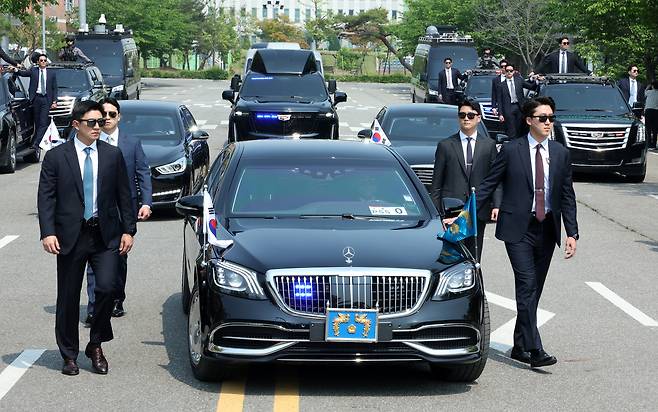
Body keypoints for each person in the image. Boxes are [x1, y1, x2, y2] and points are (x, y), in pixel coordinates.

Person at [477, 96, 579, 368]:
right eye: (543, 118)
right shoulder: (511, 150)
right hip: (517, 229)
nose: (548, 123)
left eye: (551, 118)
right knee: (526, 285)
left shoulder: (560, 152)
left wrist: (572, 233)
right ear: (529, 120)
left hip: (546, 229)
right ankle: (536, 349)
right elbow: (489, 184)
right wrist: (466, 214)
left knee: (535, 290)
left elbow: (567, 194)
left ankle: (519, 346)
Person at [38, 100, 136, 376]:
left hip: (105, 235)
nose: (99, 126)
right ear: (76, 125)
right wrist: (48, 232)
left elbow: (124, 195)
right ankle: (69, 355)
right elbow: (46, 198)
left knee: (107, 288)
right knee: (68, 297)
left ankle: (95, 344)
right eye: (92, 122)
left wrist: (128, 229)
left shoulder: (112, 155)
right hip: (71, 235)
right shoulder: (57, 157)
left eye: (102, 121)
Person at [84, 97, 152, 324]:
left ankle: (116, 298)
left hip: (124, 209)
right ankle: (94, 306)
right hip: (96, 210)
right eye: (103, 115)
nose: (107, 119)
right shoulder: (89, 142)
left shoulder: (131, 143)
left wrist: (146, 203)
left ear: (119, 117)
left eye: (112, 115)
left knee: (119, 256)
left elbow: (142, 173)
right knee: (94, 257)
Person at [430, 99, 501, 261]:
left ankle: (473, 284)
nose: (466, 118)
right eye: (462, 115)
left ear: (479, 118)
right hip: (452, 210)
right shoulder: (446, 145)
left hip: (477, 210)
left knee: (475, 256)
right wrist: (438, 214)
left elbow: (494, 178)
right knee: (452, 256)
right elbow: (437, 184)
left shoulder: (489, 145)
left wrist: (496, 204)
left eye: (470, 115)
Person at [13, 53, 57, 151]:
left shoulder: (51, 73)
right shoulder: (34, 71)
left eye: (45, 60)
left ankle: (36, 144)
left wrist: (54, 101)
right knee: (37, 122)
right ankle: (35, 141)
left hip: (46, 99)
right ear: (38, 62)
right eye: (41, 60)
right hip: (36, 99)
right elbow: (23, 74)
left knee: (43, 123)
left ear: (47, 62)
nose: (43, 62)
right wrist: (16, 70)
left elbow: (54, 88)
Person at [494, 63, 540, 139]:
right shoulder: (501, 85)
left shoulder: (519, 80)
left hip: (519, 107)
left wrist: (536, 81)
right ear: (505, 72)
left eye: (511, 71)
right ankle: (513, 144)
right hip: (508, 108)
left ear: (514, 71)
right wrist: (500, 114)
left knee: (520, 128)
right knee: (511, 129)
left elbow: (531, 86)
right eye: (507, 71)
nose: (509, 73)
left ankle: (520, 144)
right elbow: (499, 100)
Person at [644, 80, 658, 149]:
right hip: (656, 111)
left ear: (652, 86)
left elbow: (645, 92)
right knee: (655, 128)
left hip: (648, 111)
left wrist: (648, 86)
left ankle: (649, 143)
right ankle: (654, 144)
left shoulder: (649, 92)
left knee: (648, 128)